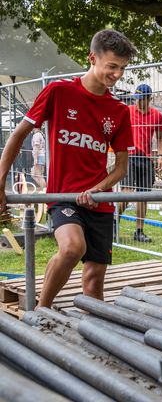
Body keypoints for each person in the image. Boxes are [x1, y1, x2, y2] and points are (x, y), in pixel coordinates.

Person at [0, 29, 136, 308]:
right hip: (64, 196)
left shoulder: (119, 111)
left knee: (94, 281)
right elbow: (18, 134)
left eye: (122, 68)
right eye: (112, 66)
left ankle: (93, 337)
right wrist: (0, 180)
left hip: (99, 200)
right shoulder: (59, 92)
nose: (118, 75)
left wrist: (97, 189)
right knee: (73, 247)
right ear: (92, 58)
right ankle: (40, 311)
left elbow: (121, 167)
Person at [119, 83, 162, 243]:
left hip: (146, 159)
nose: (138, 102)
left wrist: (160, 156)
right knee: (126, 191)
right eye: (136, 99)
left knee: (143, 196)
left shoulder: (157, 115)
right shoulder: (127, 111)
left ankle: (139, 231)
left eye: (141, 99)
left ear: (149, 99)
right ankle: (113, 223)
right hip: (128, 156)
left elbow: (159, 138)